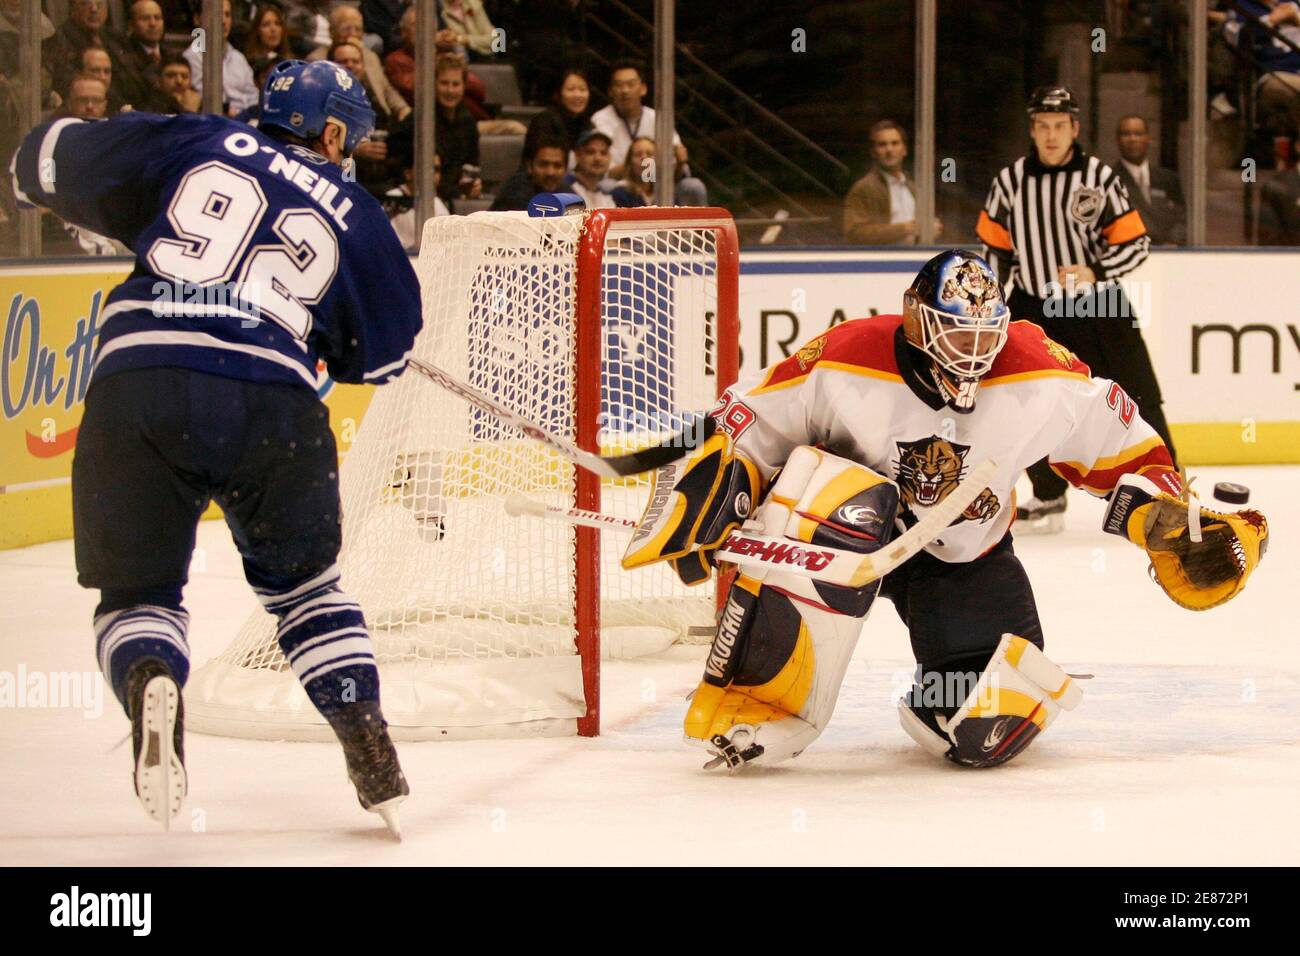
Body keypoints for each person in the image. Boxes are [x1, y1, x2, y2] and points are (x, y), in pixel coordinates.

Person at [622, 250, 1268, 772]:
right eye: (956, 331)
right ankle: (756, 697)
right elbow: (749, 421)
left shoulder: (1040, 374)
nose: (972, 352)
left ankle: (945, 689)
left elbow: (1124, 448)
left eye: (986, 334)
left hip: (960, 554)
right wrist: (721, 487)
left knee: (984, 722)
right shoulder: (848, 355)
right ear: (915, 318)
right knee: (849, 501)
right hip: (838, 535)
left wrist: (1162, 515)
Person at [11, 59, 421, 834]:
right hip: (273, 402)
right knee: (307, 593)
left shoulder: (196, 137)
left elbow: (39, 159)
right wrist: (330, 330)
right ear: (331, 132)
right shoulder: (358, 212)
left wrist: (137, 202)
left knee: (137, 596)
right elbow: (387, 357)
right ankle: (367, 738)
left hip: (140, 379)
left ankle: (150, 678)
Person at [977, 84, 1176, 534]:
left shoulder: (1100, 178)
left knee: (1137, 392)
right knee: (1026, 398)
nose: (1051, 135)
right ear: (1033, 129)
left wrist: (1095, 270)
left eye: (1059, 126)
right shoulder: (1009, 182)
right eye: (1043, 126)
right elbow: (993, 250)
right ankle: (1047, 494)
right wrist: (992, 302)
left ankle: (1167, 488)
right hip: (1033, 305)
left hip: (1098, 301)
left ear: (1075, 128)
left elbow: (1136, 243)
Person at [591, 58, 707, 206]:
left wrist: (676, 162)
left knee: (693, 186)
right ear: (610, 91)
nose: (625, 90)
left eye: (631, 84)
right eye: (619, 85)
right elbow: (603, 171)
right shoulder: (600, 119)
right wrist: (638, 166)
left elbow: (678, 167)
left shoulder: (657, 118)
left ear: (643, 88)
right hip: (622, 186)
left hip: (659, 184)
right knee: (606, 186)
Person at [843, 120, 942, 245]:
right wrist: (906, 229)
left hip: (916, 258)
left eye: (895, 143)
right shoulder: (864, 188)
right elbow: (854, 233)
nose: (889, 149)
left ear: (904, 150)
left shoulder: (913, 188)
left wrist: (933, 229)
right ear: (873, 152)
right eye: (882, 145)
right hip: (883, 261)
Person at [1114, 115, 1186, 246]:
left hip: (1170, 256)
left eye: (1138, 134)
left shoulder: (1168, 179)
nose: (1132, 139)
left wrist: (1172, 242)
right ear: (1118, 140)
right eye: (1126, 134)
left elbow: (1182, 217)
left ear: (1148, 138)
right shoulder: (1109, 180)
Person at [183, 0, 259, 116]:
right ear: (197, 19)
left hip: (245, 121)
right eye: (217, 14)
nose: (223, 21)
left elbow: (254, 97)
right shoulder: (191, 57)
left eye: (227, 15)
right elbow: (205, 100)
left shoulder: (239, 58)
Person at [112, 0, 181, 115]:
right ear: (131, 25)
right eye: (145, 18)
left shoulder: (173, 57)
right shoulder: (121, 60)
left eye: (158, 18)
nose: (153, 24)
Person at [433, 52, 482, 202]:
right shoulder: (421, 120)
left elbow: (472, 164)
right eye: (444, 83)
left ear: (464, 86)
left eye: (455, 84)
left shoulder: (468, 121)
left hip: (458, 197)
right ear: (434, 83)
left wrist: (474, 186)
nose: (450, 90)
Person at [526, 68, 595, 157]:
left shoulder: (587, 122)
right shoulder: (544, 121)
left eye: (582, 89)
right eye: (571, 89)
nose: (578, 95)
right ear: (557, 94)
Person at [490, 131, 568, 210]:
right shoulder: (514, 194)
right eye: (543, 165)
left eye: (557, 166)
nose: (550, 172)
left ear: (565, 169)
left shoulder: (569, 195)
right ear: (529, 166)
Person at [562, 128, 616, 209]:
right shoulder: (564, 188)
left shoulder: (606, 195)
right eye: (590, 152)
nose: (598, 158)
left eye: (603, 153)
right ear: (577, 156)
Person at [609, 135, 655, 207]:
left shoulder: (665, 191)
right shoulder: (620, 193)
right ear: (630, 162)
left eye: (649, 154)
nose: (644, 158)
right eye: (638, 154)